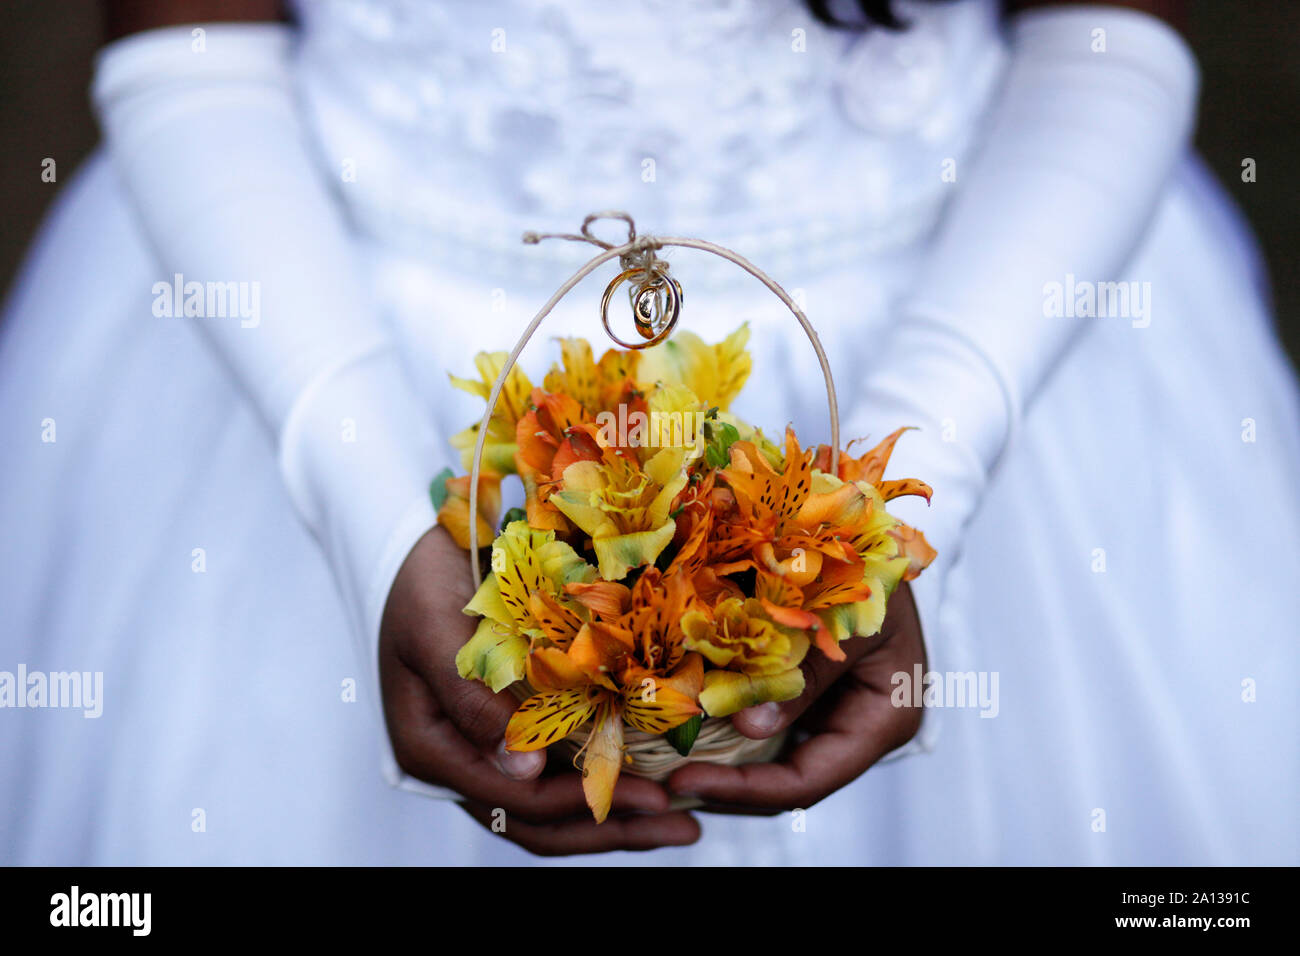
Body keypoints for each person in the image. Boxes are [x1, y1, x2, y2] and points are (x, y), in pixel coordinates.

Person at [0, 0, 1295, 864]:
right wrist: (372, 511)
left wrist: (907, 494)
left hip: (992, 286)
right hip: (307, 298)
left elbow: (1105, 31)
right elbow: (188, 36)